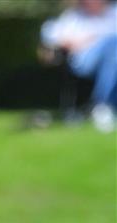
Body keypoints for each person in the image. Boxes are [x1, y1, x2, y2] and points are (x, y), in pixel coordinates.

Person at [41, 0, 117, 132]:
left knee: (112, 55)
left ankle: (103, 107)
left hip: (112, 62)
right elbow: (51, 36)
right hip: (82, 61)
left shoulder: (113, 13)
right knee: (111, 43)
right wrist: (85, 40)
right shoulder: (73, 17)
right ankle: (103, 105)